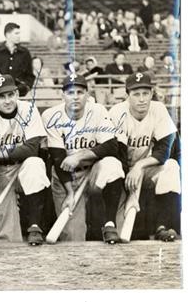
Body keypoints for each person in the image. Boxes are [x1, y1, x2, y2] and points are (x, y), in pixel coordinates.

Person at [41, 74, 124, 243]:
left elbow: (111, 146)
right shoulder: (51, 115)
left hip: (93, 171)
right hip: (65, 176)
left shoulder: (98, 110)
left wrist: (80, 155)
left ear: (87, 94)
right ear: (63, 95)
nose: (75, 97)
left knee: (112, 164)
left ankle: (109, 223)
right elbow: (58, 159)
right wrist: (70, 193)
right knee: (73, 237)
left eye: (80, 92)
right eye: (70, 92)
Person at [0, 75, 51, 245]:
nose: (7, 100)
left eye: (10, 95)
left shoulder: (29, 109)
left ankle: (34, 227)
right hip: (0, 170)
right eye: (1, 96)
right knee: (8, 236)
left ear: (17, 93)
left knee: (35, 164)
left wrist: (0, 152)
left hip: (24, 164)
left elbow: (33, 148)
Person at [108, 72, 180, 242]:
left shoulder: (159, 109)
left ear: (152, 93)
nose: (142, 99)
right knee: (120, 235)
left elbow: (164, 151)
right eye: (136, 94)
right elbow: (117, 154)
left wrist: (140, 167)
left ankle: (162, 226)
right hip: (121, 169)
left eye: (145, 93)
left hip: (145, 167)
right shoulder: (117, 112)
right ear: (127, 96)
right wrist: (132, 193)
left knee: (171, 166)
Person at [0, 22, 35, 96]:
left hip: (19, 93)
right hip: (0, 92)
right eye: (16, 33)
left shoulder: (25, 52)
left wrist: (26, 87)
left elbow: (30, 75)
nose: (19, 36)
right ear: (8, 35)